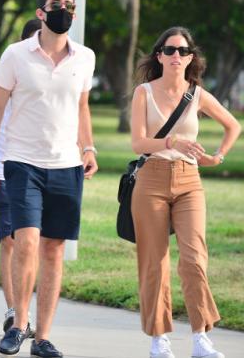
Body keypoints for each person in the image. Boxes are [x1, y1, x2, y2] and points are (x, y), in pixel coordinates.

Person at [0, 0, 98, 358]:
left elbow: (82, 107)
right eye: (55, 4)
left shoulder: (85, 57)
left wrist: (89, 146)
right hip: (22, 162)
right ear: (40, 12)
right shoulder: (15, 55)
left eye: (68, 4)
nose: (62, 9)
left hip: (66, 165)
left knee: (54, 249)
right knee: (26, 242)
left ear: (74, 13)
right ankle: (19, 325)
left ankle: (43, 337)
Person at [130, 27, 240, 358]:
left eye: (182, 50)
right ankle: (159, 339)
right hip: (151, 180)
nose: (176, 55)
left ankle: (200, 338)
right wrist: (173, 141)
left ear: (191, 57)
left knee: (194, 260)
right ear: (159, 56)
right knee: (155, 263)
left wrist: (216, 157)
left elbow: (234, 125)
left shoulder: (198, 95)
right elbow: (138, 142)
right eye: (169, 50)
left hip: (189, 181)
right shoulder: (143, 93)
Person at [0, 18, 41, 334]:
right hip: (3, 169)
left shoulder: (47, 75)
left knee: (33, 243)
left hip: (39, 171)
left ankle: (26, 311)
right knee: (11, 241)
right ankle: (16, 313)